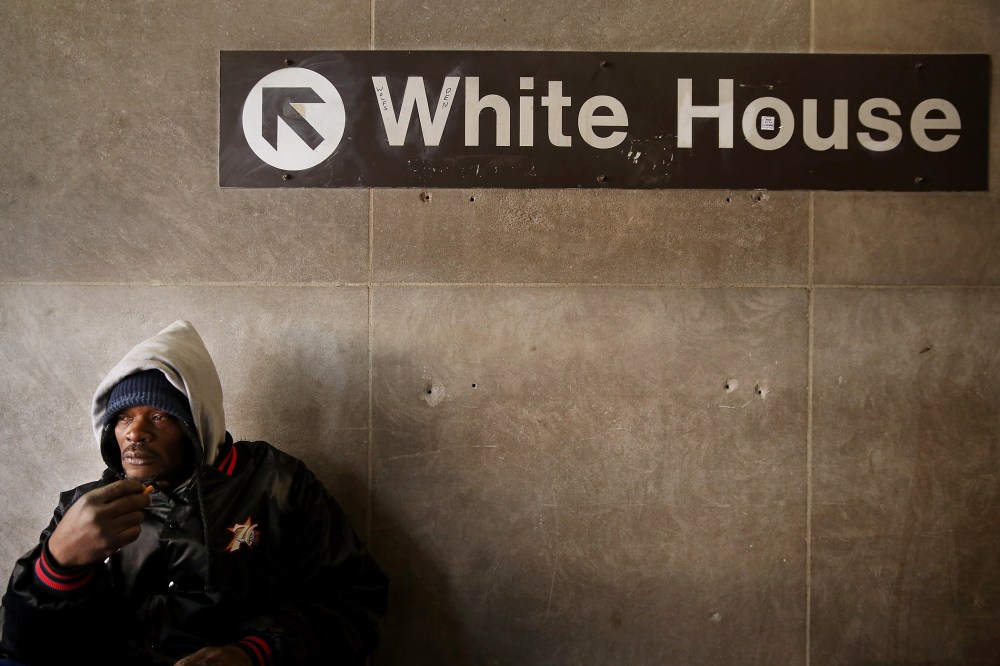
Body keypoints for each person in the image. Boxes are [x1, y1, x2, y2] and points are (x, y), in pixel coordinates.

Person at [0, 320, 388, 665]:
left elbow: (355, 605)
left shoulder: (274, 483)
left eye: (159, 416)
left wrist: (253, 653)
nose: (135, 432)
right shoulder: (86, 506)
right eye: (123, 418)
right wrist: (56, 564)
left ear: (195, 424)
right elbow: (20, 648)